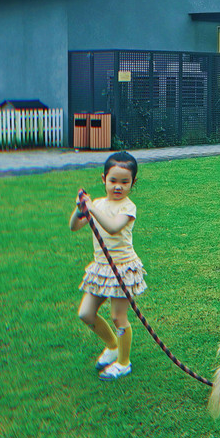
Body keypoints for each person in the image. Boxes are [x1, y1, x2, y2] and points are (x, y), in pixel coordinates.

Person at [70, 151, 145, 380]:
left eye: (125, 182)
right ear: (104, 179)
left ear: (133, 182)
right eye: (113, 180)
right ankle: (112, 346)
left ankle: (123, 363)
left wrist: (92, 209)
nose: (118, 186)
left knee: (117, 317)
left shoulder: (128, 208)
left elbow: (112, 228)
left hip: (122, 269)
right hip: (101, 269)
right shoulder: (99, 204)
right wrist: (80, 209)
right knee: (86, 313)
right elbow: (74, 226)